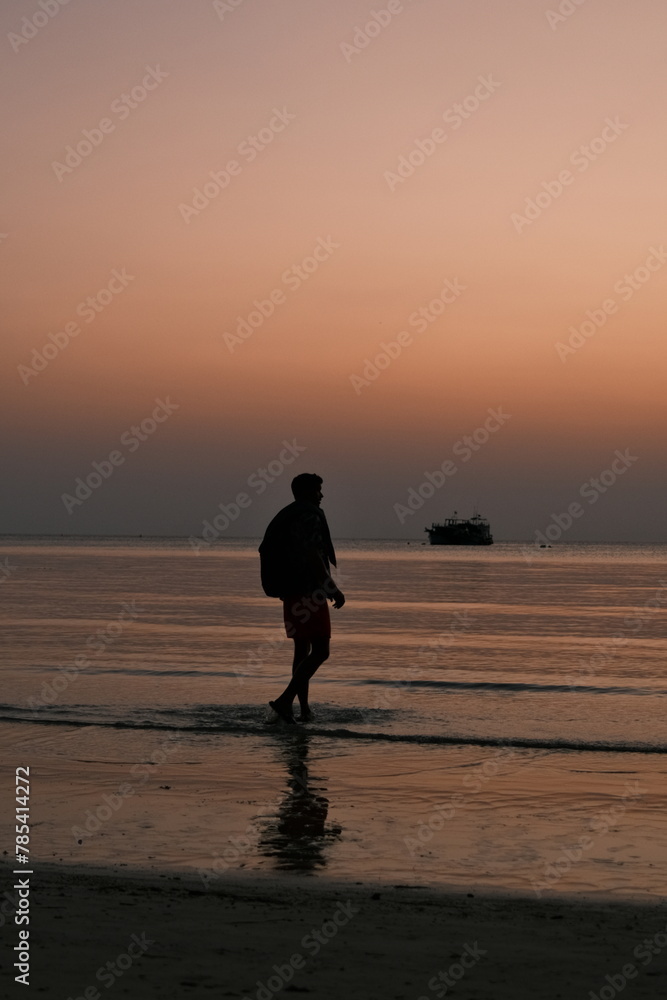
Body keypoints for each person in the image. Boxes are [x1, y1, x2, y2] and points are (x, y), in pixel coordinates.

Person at [259, 473, 345, 724]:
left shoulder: (290, 515)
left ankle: (303, 709)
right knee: (321, 651)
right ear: (306, 492)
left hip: (293, 592)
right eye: (318, 490)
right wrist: (332, 588)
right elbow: (313, 555)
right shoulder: (308, 516)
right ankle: (286, 701)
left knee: (302, 649)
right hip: (310, 593)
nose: (321, 495)